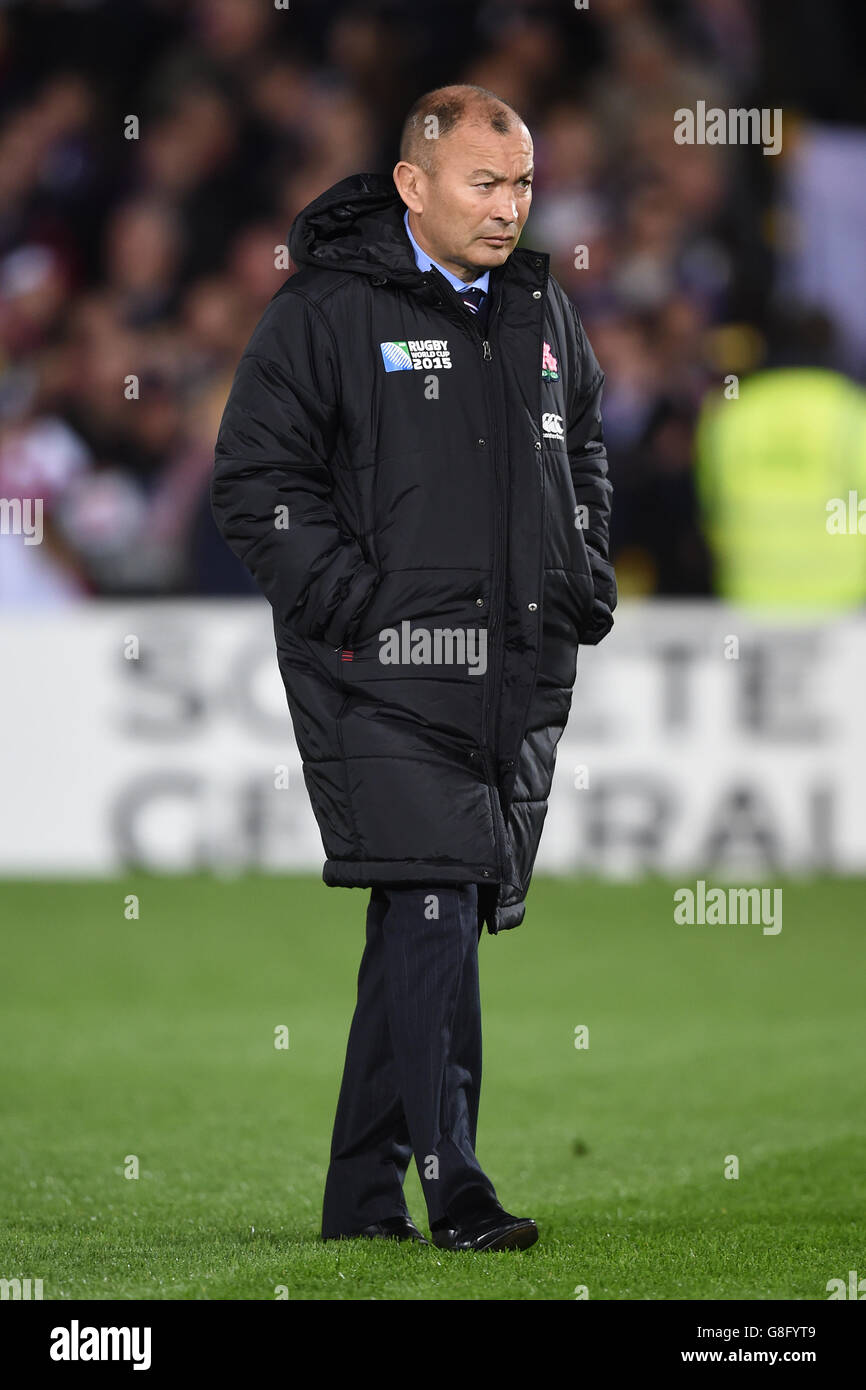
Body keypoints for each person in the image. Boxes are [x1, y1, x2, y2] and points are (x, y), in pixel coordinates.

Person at [211, 84, 616, 1253]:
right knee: (434, 897)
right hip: (382, 670)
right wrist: (357, 607)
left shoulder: (541, 310)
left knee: (429, 912)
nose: (508, 208)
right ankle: (460, 1186)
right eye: (483, 184)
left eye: (521, 184)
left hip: (510, 673)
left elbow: (583, 441)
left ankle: (359, 1200)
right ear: (411, 183)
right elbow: (256, 483)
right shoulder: (324, 312)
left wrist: (579, 566)